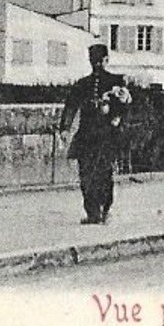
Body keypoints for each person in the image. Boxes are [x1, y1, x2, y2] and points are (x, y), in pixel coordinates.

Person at [59, 42, 132, 224]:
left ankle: (104, 209)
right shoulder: (82, 84)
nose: (97, 65)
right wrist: (65, 128)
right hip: (86, 136)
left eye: (100, 61)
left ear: (106, 60)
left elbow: (125, 105)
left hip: (107, 135)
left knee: (104, 173)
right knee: (86, 174)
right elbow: (71, 106)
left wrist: (118, 117)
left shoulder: (117, 81)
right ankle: (93, 212)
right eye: (94, 61)